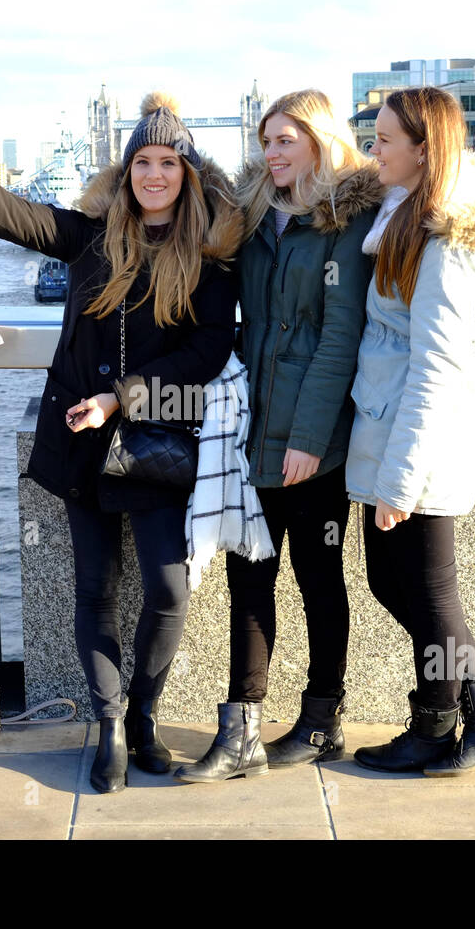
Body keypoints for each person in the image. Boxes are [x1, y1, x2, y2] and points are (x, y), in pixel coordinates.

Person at [0, 92, 243, 794]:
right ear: (126, 172)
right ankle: (112, 726)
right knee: (95, 590)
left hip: (155, 443)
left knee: (168, 589)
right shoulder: (90, 236)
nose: (155, 174)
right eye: (142, 162)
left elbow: (212, 348)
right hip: (78, 439)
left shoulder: (210, 257)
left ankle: (144, 718)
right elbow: (14, 216)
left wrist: (126, 396)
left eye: (168, 162)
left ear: (186, 171)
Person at [345, 86, 475, 775]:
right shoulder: (408, 214)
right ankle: (445, 722)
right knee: (396, 583)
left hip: (421, 440)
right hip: (400, 429)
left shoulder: (446, 238)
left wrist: (400, 482)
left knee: (430, 592)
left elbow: (434, 366)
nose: (373, 151)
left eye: (383, 142)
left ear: (424, 150)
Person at [175, 90, 382, 784]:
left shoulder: (345, 224)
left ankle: (322, 721)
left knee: (319, 578)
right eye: (266, 141)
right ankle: (240, 728)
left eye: (286, 140)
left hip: (309, 443)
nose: (272, 153)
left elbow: (338, 339)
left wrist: (309, 439)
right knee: (247, 578)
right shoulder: (256, 217)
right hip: (250, 431)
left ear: (319, 140)